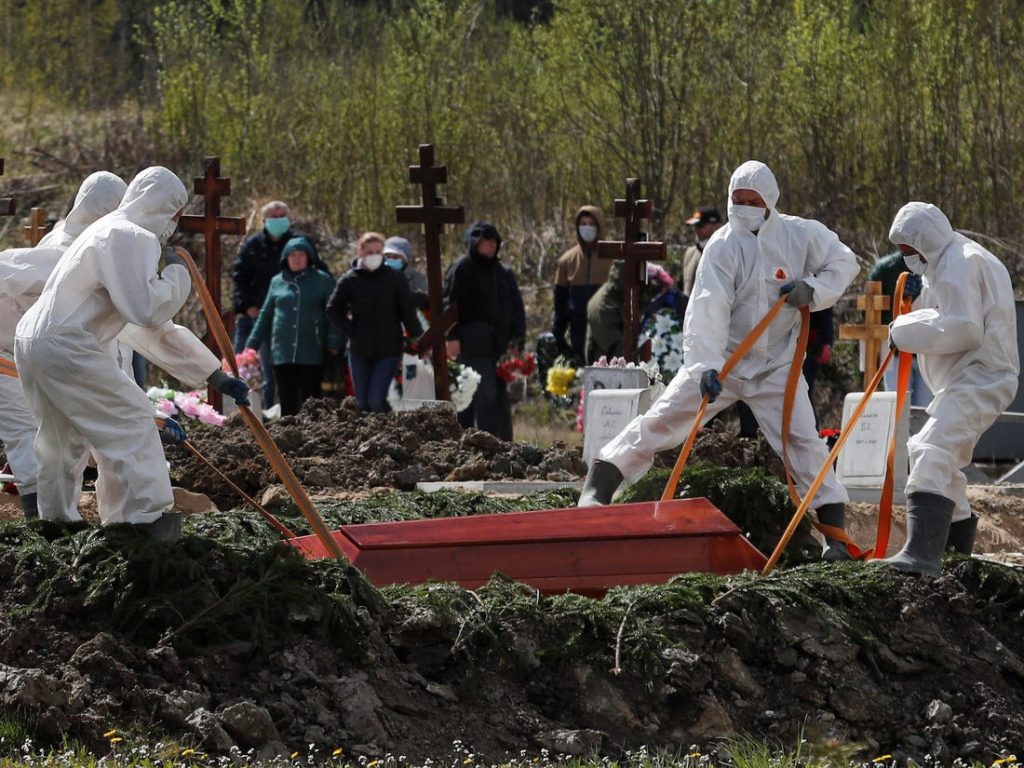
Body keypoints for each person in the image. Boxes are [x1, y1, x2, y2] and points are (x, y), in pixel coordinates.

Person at [578, 161, 860, 562]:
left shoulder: (800, 235)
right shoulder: (723, 246)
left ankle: (835, 537)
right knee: (664, 419)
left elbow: (845, 262)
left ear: (770, 201)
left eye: (753, 201)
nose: (744, 208)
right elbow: (708, 308)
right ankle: (600, 483)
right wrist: (706, 366)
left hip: (776, 367)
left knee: (803, 441)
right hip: (723, 363)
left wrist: (812, 289)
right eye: (737, 200)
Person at [14, 167, 249, 537]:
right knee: (133, 422)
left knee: (60, 440)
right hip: (65, 343)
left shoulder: (104, 231)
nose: (173, 224)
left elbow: (145, 329)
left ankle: (56, 525)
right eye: (175, 214)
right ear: (162, 206)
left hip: (34, 340)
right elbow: (146, 310)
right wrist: (178, 276)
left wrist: (213, 374)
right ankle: (142, 523)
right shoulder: (131, 236)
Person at [881, 202, 1019, 575]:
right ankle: (955, 561)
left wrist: (904, 331)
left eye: (909, 250)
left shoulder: (961, 261)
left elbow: (964, 328)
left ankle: (921, 556)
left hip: (982, 377)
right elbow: (947, 314)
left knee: (930, 449)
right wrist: (915, 308)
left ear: (924, 239)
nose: (907, 258)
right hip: (970, 378)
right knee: (943, 465)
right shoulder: (949, 260)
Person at [232, 200, 325, 407]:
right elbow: (240, 279)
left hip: (296, 319)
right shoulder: (253, 246)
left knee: (290, 374)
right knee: (263, 373)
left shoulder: (300, 243)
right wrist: (247, 306)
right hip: (260, 316)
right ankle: (265, 413)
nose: (278, 220)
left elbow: (319, 274)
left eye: (282, 216)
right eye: (274, 217)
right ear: (264, 220)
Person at [443, 222, 526, 440]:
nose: (489, 245)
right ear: (474, 243)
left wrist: (517, 340)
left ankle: (500, 445)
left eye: (493, 241)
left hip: (499, 347)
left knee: (497, 400)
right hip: (470, 346)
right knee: (474, 398)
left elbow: (516, 309)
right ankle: (474, 444)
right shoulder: (461, 269)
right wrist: (451, 336)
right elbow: (449, 305)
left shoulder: (503, 273)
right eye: (484, 241)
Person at [327, 232, 423, 413]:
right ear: (360, 253)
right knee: (362, 402)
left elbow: (407, 312)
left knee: (376, 399)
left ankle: (392, 425)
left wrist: (419, 339)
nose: (374, 255)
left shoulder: (395, 278)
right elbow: (333, 309)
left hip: (389, 349)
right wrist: (351, 330)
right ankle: (371, 431)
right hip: (359, 350)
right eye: (369, 252)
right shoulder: (350, 279)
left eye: (378, 251)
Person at [246, 236, 341, 416]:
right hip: (282, 351)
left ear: (309, 257)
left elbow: (334, 313)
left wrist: (333, 342)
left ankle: (311, 430)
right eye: (293, 255)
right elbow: (265, 314)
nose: (297, 259)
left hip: (311, 350)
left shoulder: (323, 280)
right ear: (286, 258)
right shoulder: (277, 282)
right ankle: (287, 429)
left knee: (310, 400)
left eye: (301, 255)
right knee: (286, 398)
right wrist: (252, 343)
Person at [869, 250, 933, 407]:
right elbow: (870, 311)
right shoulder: (885, 269)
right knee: (897, 406)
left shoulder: (936, 265)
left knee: (925, 410)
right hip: (896, 352)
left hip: (928, 352)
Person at [552, 206, 611, 361]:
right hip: (578, 333)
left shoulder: (613, 258)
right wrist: (558, 336)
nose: (587, 228)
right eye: (583, 224)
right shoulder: (567, 261)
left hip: (607, 333)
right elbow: (560, 304)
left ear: (599, 226)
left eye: (591, 224)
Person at [679, 206, 724, 297]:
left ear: (717, 226)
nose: (697, 230)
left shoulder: (726, 252)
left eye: (701, 226)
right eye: (695, 226)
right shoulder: (690, 253)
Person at [382, 235, 429, 309]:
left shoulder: (417, 279)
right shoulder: (379, 277)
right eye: (387, 256)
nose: (390, 260)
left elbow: (427, 300)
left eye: (395, 257)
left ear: (406, 259)